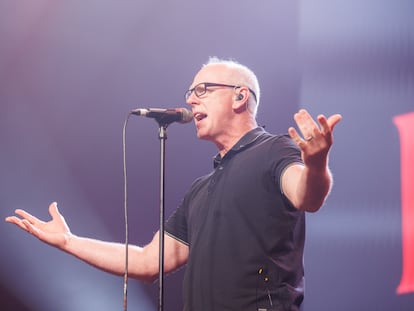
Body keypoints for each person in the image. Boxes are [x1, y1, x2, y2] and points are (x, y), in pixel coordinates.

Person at [5, 57, 342, 311]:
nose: (192, 100)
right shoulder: (201, 189)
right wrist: (68, 241)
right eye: (191, 93)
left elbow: (306, 196)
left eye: (203, 90)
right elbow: (147, 261)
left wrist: (316, 163)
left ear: (240, 97)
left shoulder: (274, 149)